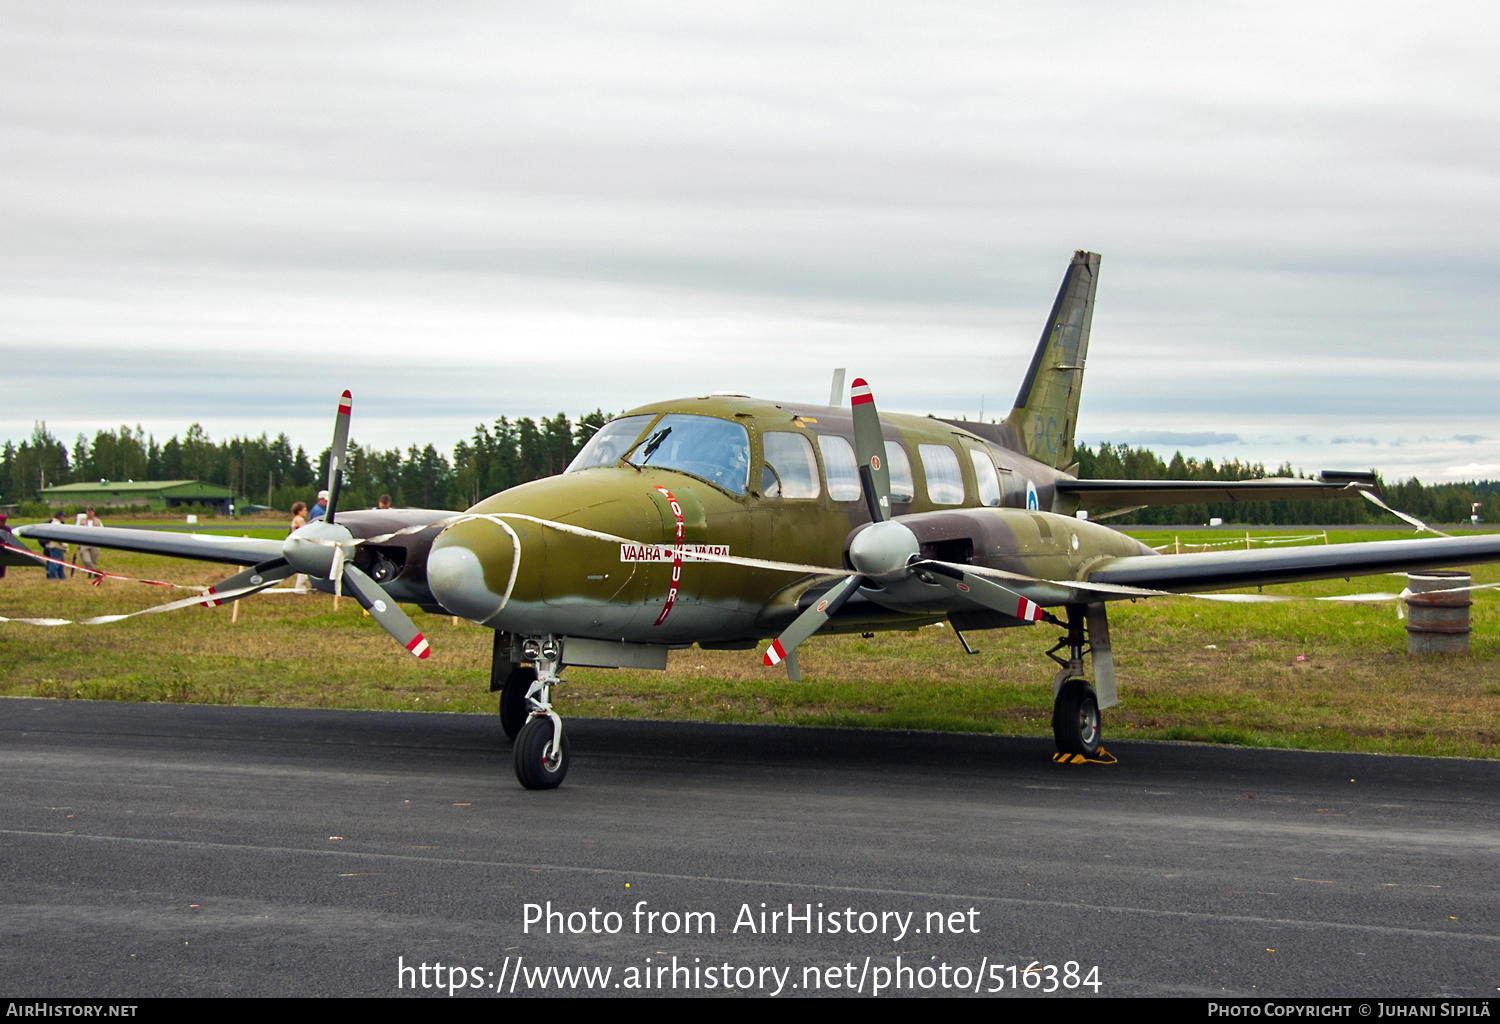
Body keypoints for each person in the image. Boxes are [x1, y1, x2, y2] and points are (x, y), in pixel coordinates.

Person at [288, 502, 310, 593]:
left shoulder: (295, 519)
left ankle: (300, 589)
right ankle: (300, 590)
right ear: (299, 511)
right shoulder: (299, 520)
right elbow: (305, 532)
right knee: (303, 570)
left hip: (296, 545)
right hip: (300, 546)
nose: (306, 512)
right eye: (304, 510)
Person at [76, 506, 102, 578]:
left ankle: (90, 573)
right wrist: (77, 543)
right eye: (88, 511)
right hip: (84, 543)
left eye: (91, 511)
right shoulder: (81, 521)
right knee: (86, 559)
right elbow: (76, 532)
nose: (90, 513)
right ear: (86, 512)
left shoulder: (98, 521)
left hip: (95, 543)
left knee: (94, 560)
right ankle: (95, 572)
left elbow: (102, 532)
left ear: (93, 513)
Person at [44, 513, 67, 580]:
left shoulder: (52, 523)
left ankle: (61, 576)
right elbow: (57, 535)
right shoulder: (57, 524)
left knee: (60, 563)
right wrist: (62, 543)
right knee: (54, 563)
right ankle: (52, 577)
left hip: (52, 545)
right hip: (56, 546)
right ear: (60, 517)